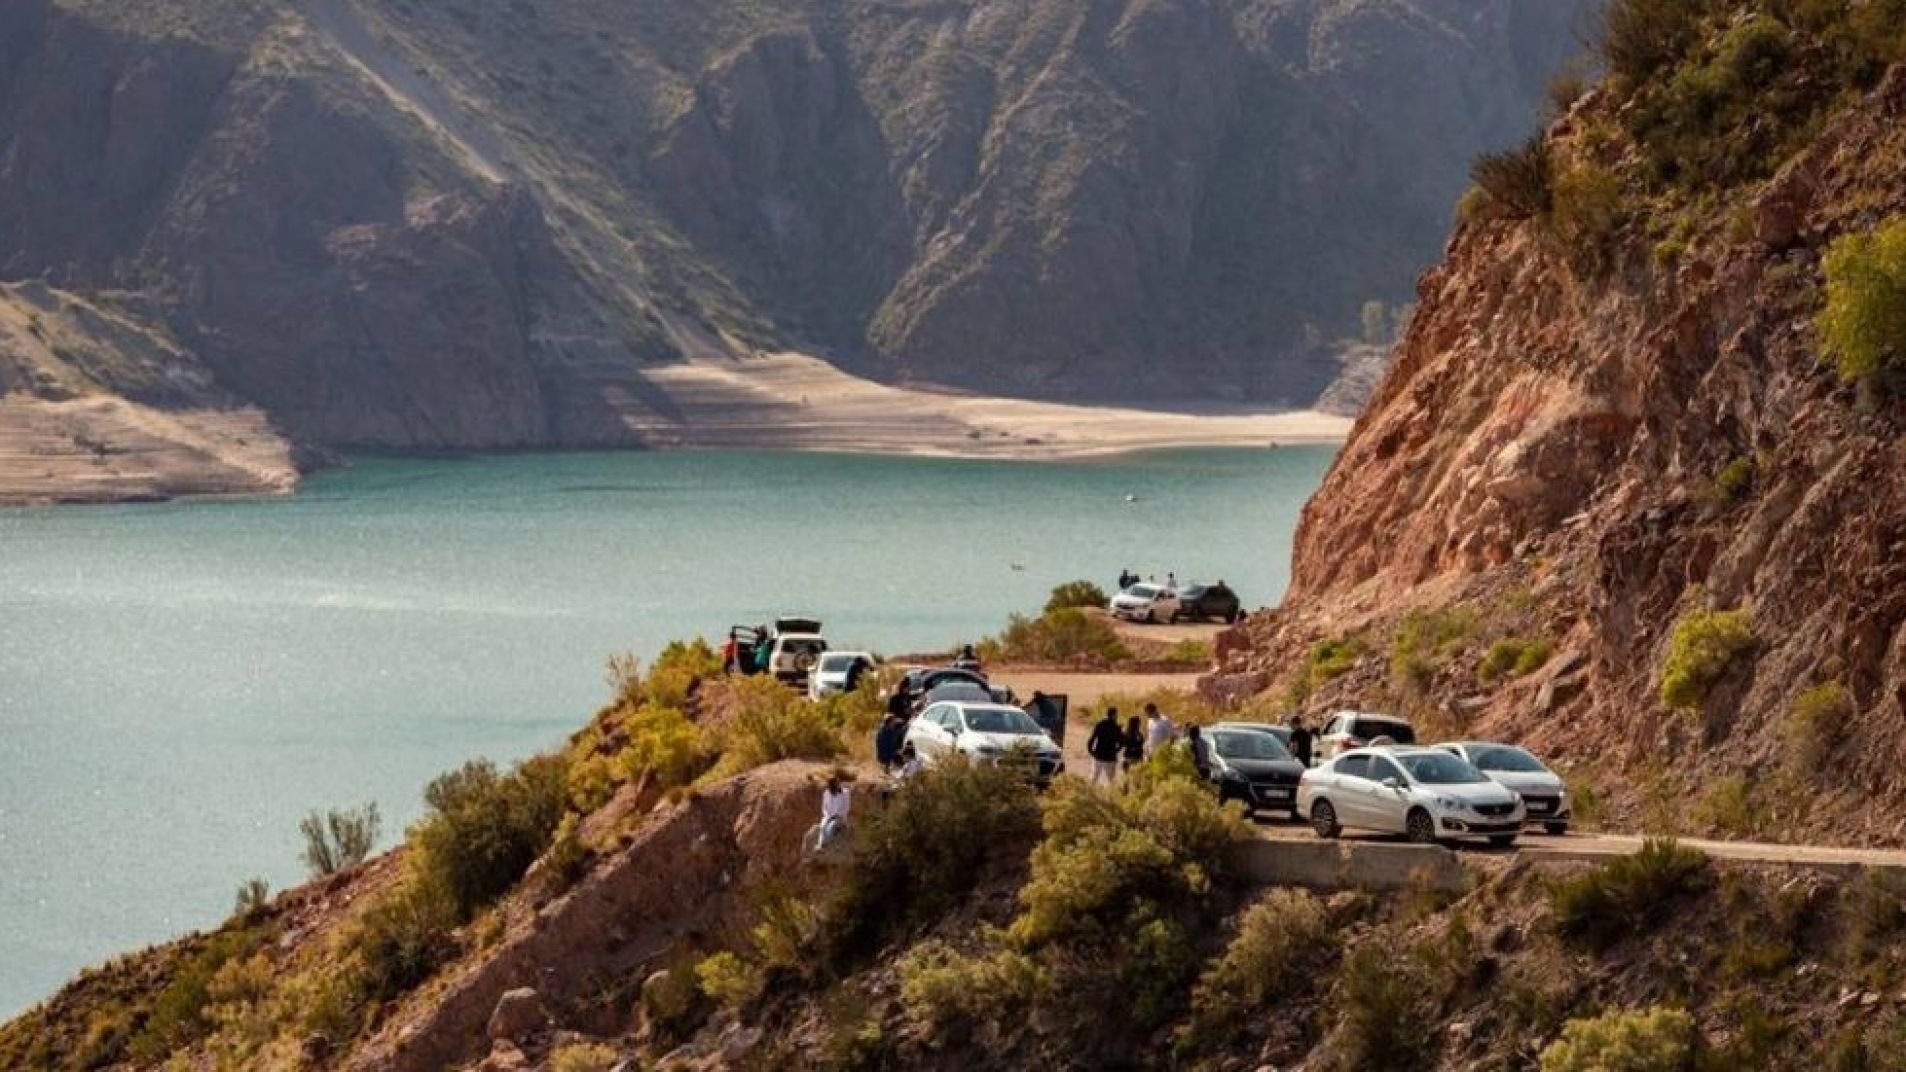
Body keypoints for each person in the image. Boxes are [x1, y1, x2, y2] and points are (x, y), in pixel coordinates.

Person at [1086, 708, 1123, 786]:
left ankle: (1089, 794)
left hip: (1098, 755)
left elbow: (1091, 739)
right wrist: (1116, 751)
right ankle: (1111, 796)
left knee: (1094, 777)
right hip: (1110, 757)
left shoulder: (1100, 724)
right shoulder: (1115, 727)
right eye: (1116, 715)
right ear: (1113, 715)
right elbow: (1121, 742)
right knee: (1111, 780)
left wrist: (1092, 752)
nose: (1116, 716)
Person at [816, 775, 852, 851]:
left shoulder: (845, 793)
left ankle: (826, 845)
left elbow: (846, 807)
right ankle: (820, 845)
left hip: (840, 817)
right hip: (828, 816)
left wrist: (837, 814)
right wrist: (827, 815)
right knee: (822, 826)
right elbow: (824, 807)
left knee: (830, 828)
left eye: (838, 783)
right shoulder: (826, 793)